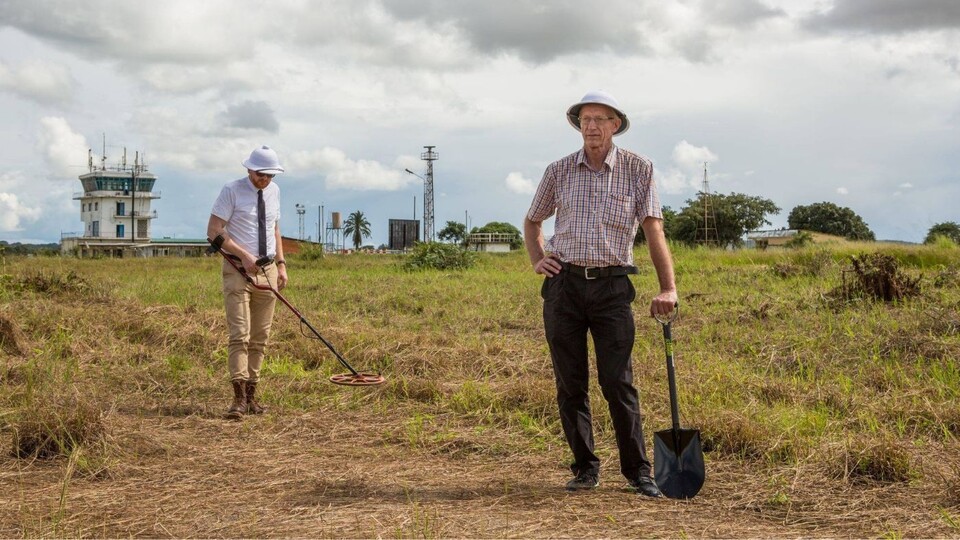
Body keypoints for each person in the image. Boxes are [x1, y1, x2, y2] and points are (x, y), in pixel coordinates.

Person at [523, 90, 678, 498]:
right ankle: (585, 468)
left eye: (599, 119)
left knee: (617, 382)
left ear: (615, 125)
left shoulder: (638, 168)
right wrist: (539, 259)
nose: (591, 126)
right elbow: (533, 220)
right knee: (570, 383)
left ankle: (638, 472)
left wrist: (668, 288)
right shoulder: (558, 170)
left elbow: (653, 230)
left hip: (612, 287)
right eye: (585, 119)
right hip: (564, 287)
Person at [207, 145, 289, 420]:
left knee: (260, 336)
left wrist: (281, 264)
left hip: (268, 270)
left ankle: (253, 396)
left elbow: (274, 228)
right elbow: (214, 231)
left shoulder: (275, 192)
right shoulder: (232, 190)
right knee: (240, 334)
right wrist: (244, 255)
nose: (265, 179)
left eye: (270, 175)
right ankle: (239, 398)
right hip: (237, 269)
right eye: (261, 174)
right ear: (250, 169)